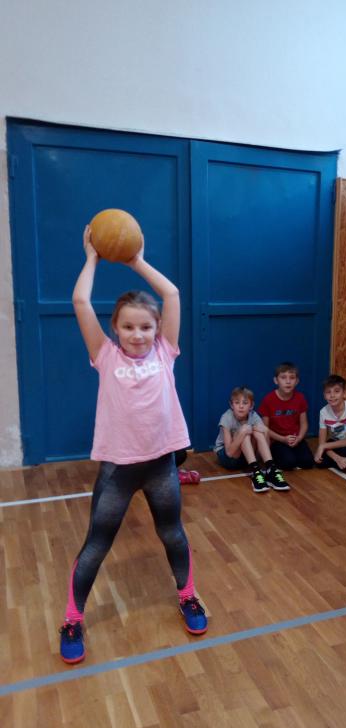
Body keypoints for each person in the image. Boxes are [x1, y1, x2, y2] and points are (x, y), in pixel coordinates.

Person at [59, 226, 207, 665]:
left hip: (161, 466)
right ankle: (72, 618)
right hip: (118, 471)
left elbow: (172, 293)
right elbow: (80, 302)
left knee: (172, 533)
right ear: (116, 329)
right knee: (97, 544)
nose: (138, 334)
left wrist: (137, 261)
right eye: (128, 326)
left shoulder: (166, 352)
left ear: (158, 329)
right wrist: (92, 257)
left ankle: (188, 595)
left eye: (145, 326)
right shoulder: (105, 356)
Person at [214, 386, 290, 492]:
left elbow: (265, 445)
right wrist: (242, 432)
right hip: (228, 458)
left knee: (258, 431)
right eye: (237, 403)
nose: (241, 406)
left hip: (248, 458)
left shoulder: (253, 416)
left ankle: (271, 469)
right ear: (231, 405)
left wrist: (265, 432)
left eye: (245, 403)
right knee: (245, 431)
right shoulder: (226, 418)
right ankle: (255, 472)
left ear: (251, 406)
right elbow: (229, 453)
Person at [258, 362, 315, 470]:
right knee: (288, 463)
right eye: (283, 377)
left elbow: (304, 424)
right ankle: (272, 457)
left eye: (292, 378)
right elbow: (265, 428)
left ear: (297, 381)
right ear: (276, 380)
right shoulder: (268, 400)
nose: (288, 381)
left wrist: (299, 438)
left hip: (295, 439)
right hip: (277, 440)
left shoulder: (300, 398)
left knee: (308, 462)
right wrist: (283, 439)